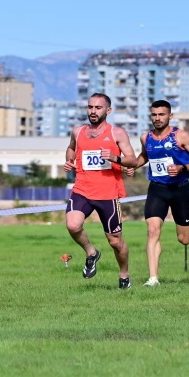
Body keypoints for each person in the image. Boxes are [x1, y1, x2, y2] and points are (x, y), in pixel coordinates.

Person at [63, 93, 138, 289]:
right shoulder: (78, 132)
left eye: (98, 108)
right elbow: (71, 149)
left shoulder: (117, 133)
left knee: (115, 242)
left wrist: (115, 158)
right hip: (82, 190)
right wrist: (69, 161)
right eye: (90, 107)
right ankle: (91, 252)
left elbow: (133, 159)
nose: (93, 111)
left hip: (108, 194)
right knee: (72, 225)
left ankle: (124, 274)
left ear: (108, 110)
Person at [134, 100, 189, 287]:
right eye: (154, 115)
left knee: (183, 239)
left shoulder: (181, 136)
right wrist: (132, 165)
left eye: (161, 115)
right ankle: (153, 279)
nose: (157, 118)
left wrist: (182, 167)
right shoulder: (146, 137)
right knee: (152, 231)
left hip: (180, 189)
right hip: (157, 189)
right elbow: (144, 156)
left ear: (170, 116)